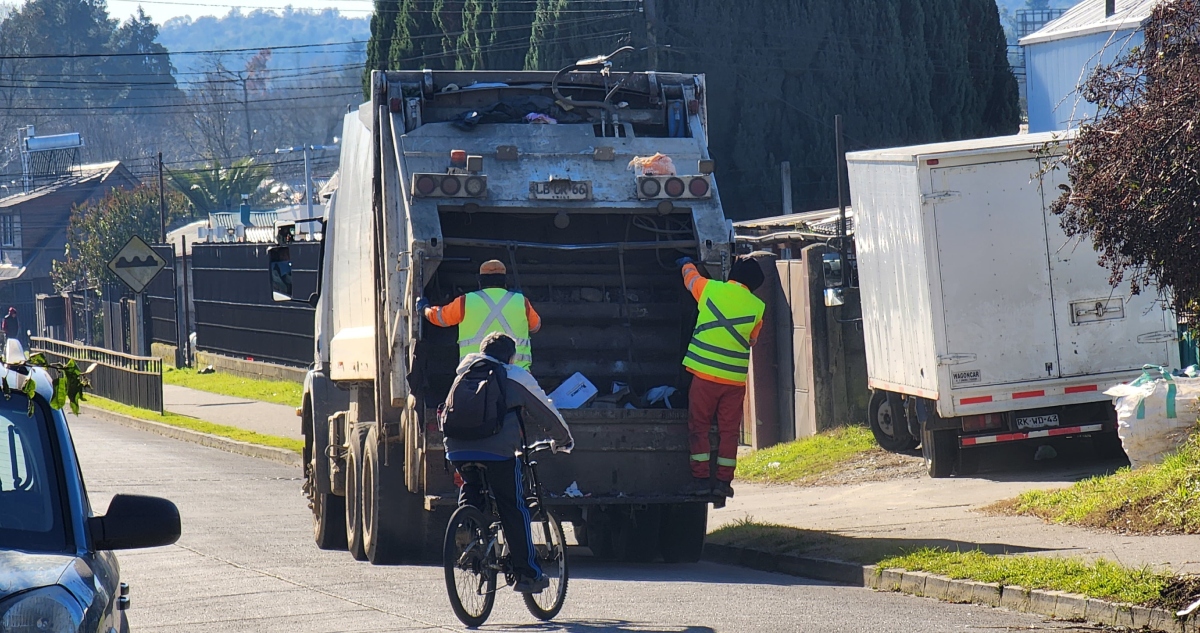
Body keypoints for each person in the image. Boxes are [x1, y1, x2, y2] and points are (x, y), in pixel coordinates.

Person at [446, 332, 574, 594]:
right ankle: (527, 573)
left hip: (457, 450)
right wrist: (563, 440)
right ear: (510, 356)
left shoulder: (463, 373)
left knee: (472, 486)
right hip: (498, 453)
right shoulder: (514, 375)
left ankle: (467, 528)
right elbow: (544, 410)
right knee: (513, 505)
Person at [675, 255, 766, 498]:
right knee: (728, 431)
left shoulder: (711, 289)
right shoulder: (758, 307)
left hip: (705, 376)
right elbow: (752, 339)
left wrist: (686, 263)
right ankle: (724, 482)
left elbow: (691, 280)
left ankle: (701, 478)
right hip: (734, 382)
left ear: (731, 274)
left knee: (699, 427)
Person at [419, 260, 541, 370]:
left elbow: (441, 318)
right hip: (517, 374)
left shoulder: (466, 301)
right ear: (505, 280)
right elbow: (535, 326)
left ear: (480, 281)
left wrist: (425, 309)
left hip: (476, 373)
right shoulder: (521, 301)